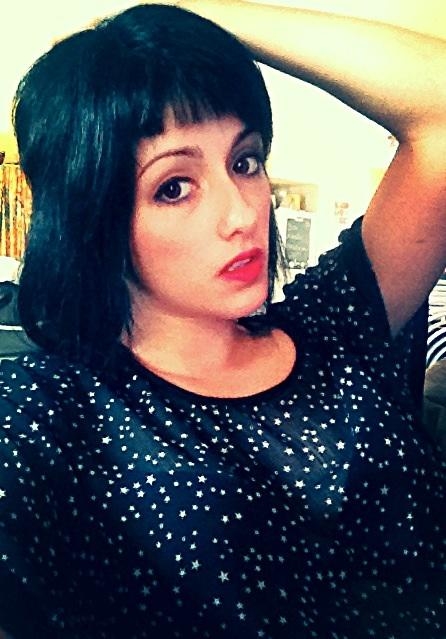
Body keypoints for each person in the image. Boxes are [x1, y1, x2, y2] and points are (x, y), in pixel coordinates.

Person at [0, 1, 445, 637]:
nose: (242, 213)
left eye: (245, 161)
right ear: (91, 215)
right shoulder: (46, 418)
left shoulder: (333, 325)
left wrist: (193, 13)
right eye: (174, 187)